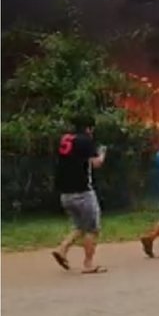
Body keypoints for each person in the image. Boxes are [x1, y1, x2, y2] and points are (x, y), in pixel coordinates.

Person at [52, 115, 107, 273]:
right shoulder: (85, 140)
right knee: (92, 229)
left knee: (80, 226)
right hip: (83, 192)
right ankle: (88, 264)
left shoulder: (65, 139)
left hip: (65, 193)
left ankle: (62, 249)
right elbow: (96, 164)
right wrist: (102, 154)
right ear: (89, 128)